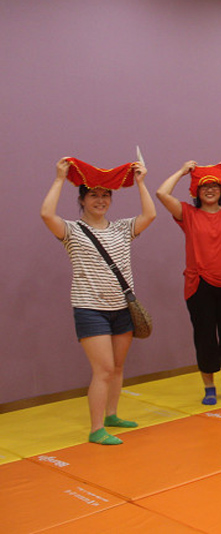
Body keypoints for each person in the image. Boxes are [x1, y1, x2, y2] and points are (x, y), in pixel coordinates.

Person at [41, 157, 156, 444]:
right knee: (103, 369)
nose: (100, 200)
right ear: (82, 199)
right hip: (90, 309)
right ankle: (96, 429)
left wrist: (141, 183)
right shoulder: (72, 231)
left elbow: (150, 215)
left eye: (106, 195)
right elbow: (46, 214)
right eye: (93, 195)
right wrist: (59, 179)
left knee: (116, 367)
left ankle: (112, 415)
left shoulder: (121, 229)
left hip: (123, 309)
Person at [155, 161, 221, 405]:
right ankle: (209, 388)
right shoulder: (188, 214)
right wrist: (181, 172)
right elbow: (162, 193)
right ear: (196, 192)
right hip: (199, 285)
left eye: (215, 186)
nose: (210, 190)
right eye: (204, 187)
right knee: (205, 337)